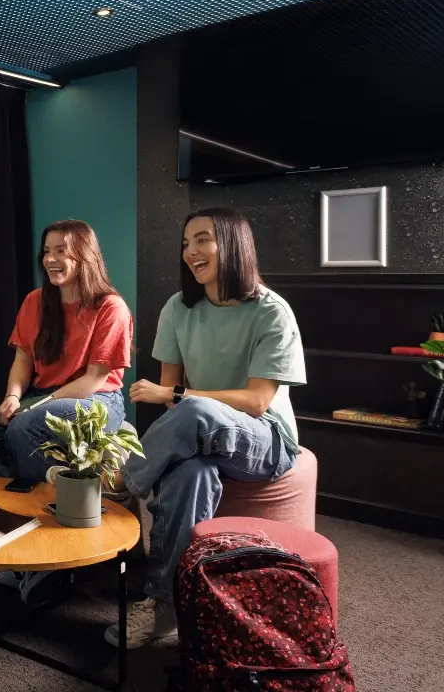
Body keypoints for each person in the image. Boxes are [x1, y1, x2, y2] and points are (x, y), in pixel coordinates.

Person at [109, 208, 304, 649]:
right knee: (189, 475)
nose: (191, 252)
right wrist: (179, 397)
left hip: (266, 439)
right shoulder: (178, 308)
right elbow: (171, 393)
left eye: (203, 240)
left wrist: (180, 396)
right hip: (199, 435)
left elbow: (256, 402)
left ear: (233, 245)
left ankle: (117, 481)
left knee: (195, 410)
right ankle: (165, 609)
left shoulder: (273, 312)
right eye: (186, 243)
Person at [0, 219, 133, 602]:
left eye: (61, 250)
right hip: (42, 395)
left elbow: (93, 380)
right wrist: (11, 396)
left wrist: (31, 407)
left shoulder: (111, 307)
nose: (51, 259)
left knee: (24, 429)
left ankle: (45, 541)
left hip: (96, 402)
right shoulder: (35, 301)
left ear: (85, 255)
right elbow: (23, 360)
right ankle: (13, 529)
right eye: (47, 251)